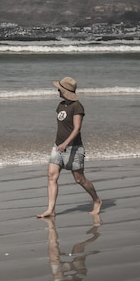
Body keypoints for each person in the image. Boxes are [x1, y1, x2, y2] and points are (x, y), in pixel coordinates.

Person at [37, 77, 102, 218]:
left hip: (74, 147)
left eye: (59, 89)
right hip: (58, 146)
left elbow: (77, 128)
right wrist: (59, 143)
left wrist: (65, 143)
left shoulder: (77, 107)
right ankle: (51, 210)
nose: (57, 91)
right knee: (51, 176)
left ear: (65, 91)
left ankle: (96, 200)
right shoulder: (60, 105)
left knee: (80, 179)